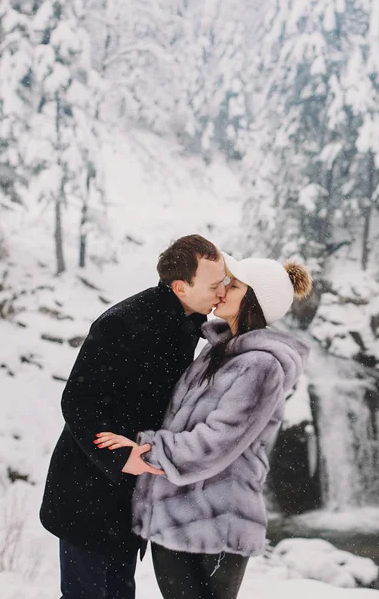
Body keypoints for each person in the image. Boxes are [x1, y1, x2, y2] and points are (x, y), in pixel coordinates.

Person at [95, 252, 312, 599]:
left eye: (235, 285)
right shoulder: (218, 352)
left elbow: (215, 443)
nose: (223, 290)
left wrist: (145, 450)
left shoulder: (260, 366)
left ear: (254, 301)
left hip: (216, 522)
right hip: (177, 515)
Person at [39, 234, 229, 599]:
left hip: (130, 496)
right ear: (181, 287)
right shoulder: (124, 323)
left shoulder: (191, 320)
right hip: (89, 491)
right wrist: (118, 455)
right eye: (214, 284)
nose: (221, 290)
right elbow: (78, 400)